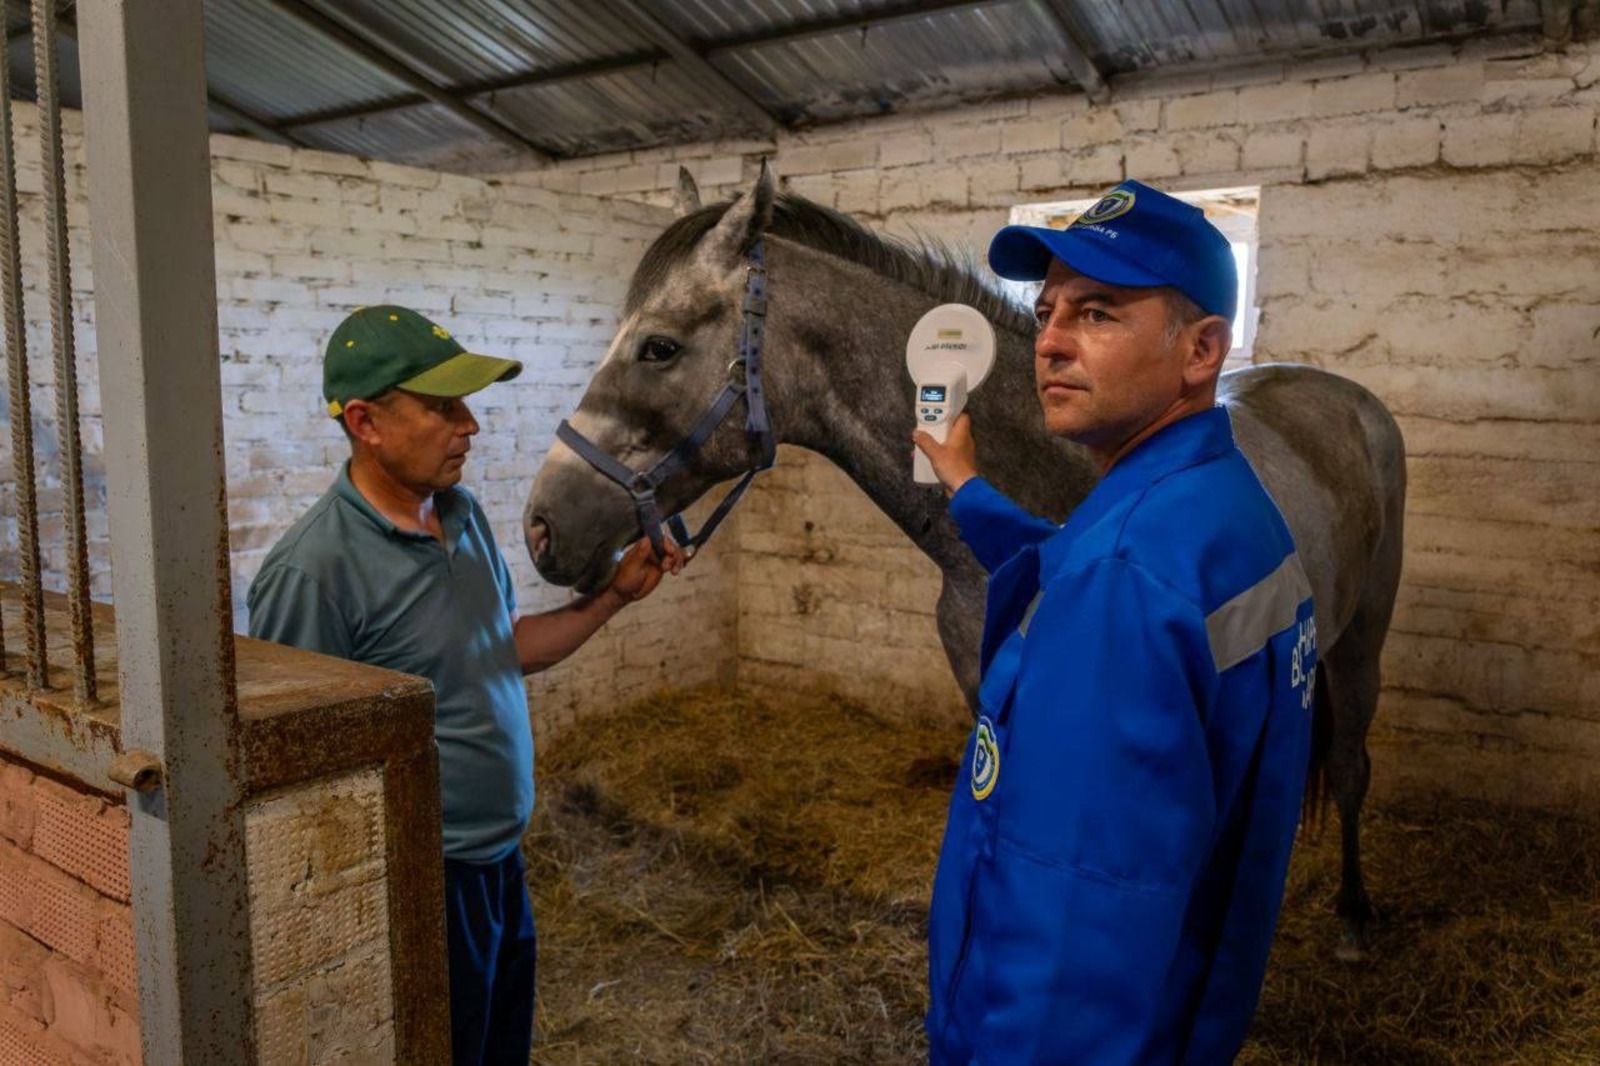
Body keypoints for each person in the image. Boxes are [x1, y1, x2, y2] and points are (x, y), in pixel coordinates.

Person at [913, 180, 1317, 1064]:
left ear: (1201, 350)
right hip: (1178, 1008)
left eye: (1098, 313)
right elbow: (1077, 565)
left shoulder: (1125, 578)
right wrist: (969, 490)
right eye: (1046, 312)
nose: (1049, 342)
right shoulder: (1221, 507)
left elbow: (1067, 931)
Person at [247, 305, 683, 1066]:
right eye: (442, 406)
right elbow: (296, 779)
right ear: (365, 422)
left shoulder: (463, 515)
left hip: (499, 859)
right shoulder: (313, 572)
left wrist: (611, 595)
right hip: (420, 880)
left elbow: (504, 648)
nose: (470, 425)